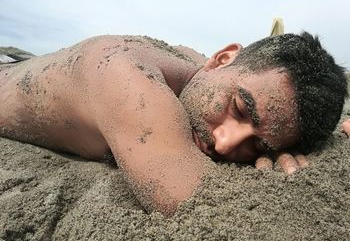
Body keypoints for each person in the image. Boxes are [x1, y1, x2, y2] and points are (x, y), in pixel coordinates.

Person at [0, 33, 347, 215]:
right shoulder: (127, 75)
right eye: (240, 108)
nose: (225, 144)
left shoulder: (198, 71)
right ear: (223, 58)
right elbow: (193, 202)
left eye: (256, 145)